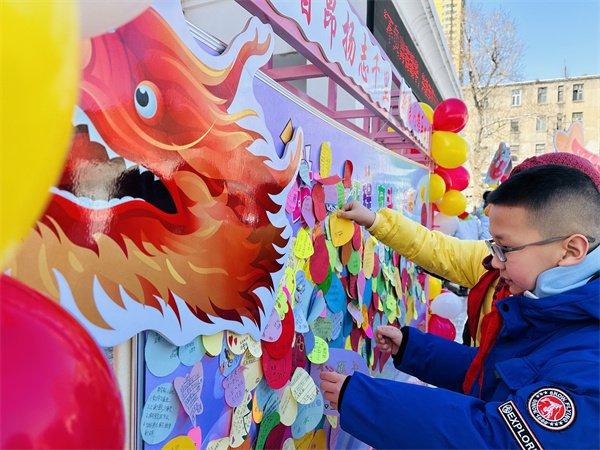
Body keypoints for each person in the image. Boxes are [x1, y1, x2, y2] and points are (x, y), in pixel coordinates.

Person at [320, 162, 600, 449]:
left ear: (570, 250)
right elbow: (493, 374)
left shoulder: (588, 356)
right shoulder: (551, 310)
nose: (493, 261)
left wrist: (364, 400)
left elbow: (497, 439)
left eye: (504, 248)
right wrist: (413, 348)